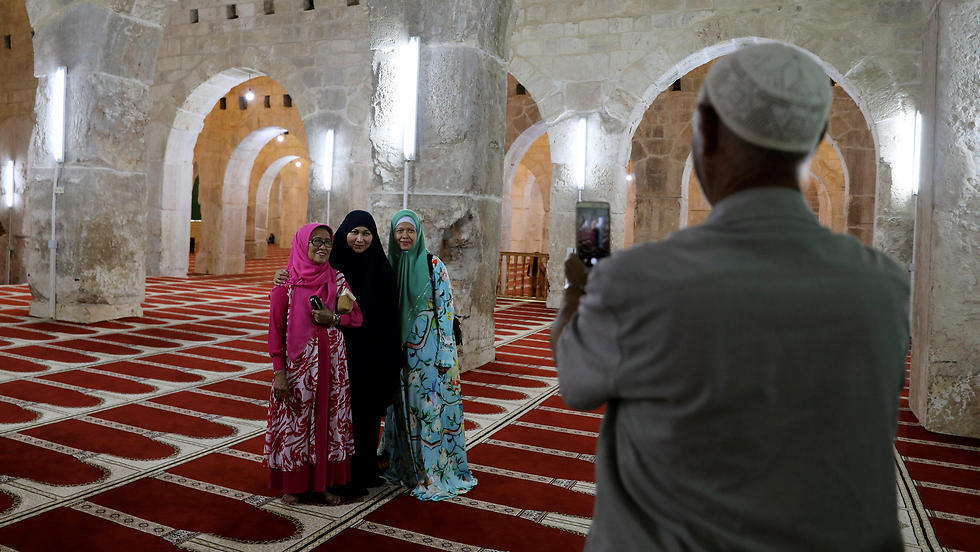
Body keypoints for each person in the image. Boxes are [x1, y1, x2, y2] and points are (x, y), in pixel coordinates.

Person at [551, 43, 910, 551]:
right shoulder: (884, 286)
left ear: (707, 136)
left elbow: (576, 382)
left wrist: (576, 292)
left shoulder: (641, 280)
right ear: (817, 139)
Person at [381, 208, 477, 501]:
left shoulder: (432, 263)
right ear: (393, 234)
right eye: (400, 231)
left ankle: (432, 473)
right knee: (402, 408)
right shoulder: (390, 264)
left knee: (428, 410)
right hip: (398, 351)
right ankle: (407, 469)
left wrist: (446, 352)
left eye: (410, 231)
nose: (405, 236)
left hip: (429, 352)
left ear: (419, 233)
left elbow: (446, 309)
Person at [265, 223, 363, 506]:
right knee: (295, 424)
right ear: (302, 244)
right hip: (298, 368)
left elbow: (355, 316)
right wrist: (279, 373)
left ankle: (323, 484)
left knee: (327, 422)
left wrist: (333, 319)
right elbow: (275, 331)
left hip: (332, 365)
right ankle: (293, 485)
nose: (322, 247)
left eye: (327, 243)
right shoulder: (285, 284)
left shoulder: (337, 279)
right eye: (316, 241)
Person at [322, 210, 402, 498]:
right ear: (344, 233)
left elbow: (390, 316)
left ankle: (366, 469)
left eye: (366, 233)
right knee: (342, 415)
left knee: (367, 415)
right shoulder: (331, 267)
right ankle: (342, 473)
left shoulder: (381, 268)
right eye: (354, 232)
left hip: (372, 354)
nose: (360, 238)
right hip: (339, 353)